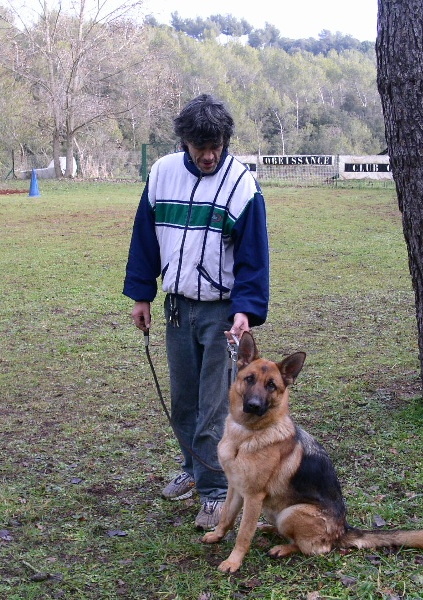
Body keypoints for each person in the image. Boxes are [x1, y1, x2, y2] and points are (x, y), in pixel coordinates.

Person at [123, 93, 270, 530]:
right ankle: (192, 467)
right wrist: (141, 295)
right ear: (184, 142)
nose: (209, 156)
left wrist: (245, 311)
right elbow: (144, 239)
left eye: (217, 146)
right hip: (175, 308)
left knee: (214, 407)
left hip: (221, 313)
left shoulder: (241, 185)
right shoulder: (162, 174)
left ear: (225, 141)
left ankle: (215, 492)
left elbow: (254, 257)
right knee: (184, 400)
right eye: (200, 147)